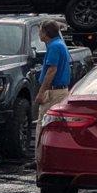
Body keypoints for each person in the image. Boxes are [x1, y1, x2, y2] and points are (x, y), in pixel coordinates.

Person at [34, 19, 72, 151]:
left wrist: (41, 92)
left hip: (54, 92)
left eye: (40, 31)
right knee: (56, 124)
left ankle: (40, 156)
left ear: (46, 32)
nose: (39, 34)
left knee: (44, 123)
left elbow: (51, 70)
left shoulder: (54, 46)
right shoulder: (58, 44)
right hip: (60, 91)